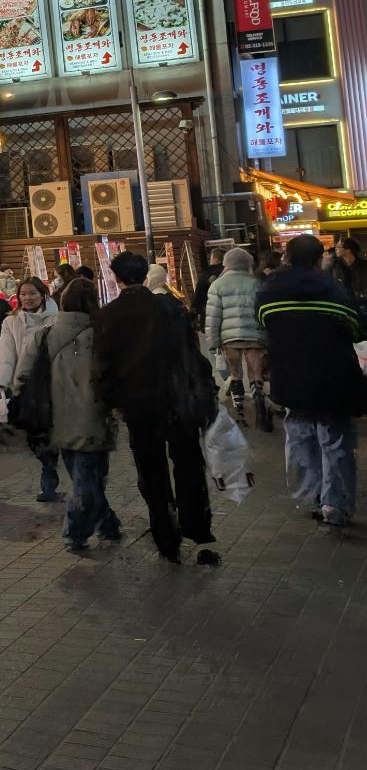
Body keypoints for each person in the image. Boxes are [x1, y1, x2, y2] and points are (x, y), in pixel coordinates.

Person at [95, 250, 218, 565]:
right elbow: (191, 352)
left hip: (140, 404)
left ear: (117, 277)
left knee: (152, 470)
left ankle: (166, 535)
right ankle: (196, 525)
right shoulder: (170, 308)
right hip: (178, 398)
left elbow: (104, 366)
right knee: (188, 462)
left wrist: (111, 403)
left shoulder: (109, 314)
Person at [257, 233, 367, 528]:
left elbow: (263, 323)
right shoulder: (332, 289)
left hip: (290, 381)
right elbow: (358, 329)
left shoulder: (269, 291)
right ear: (320, 259)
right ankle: (335, 506)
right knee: (335, 443)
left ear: (288, 258)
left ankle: (311, 497)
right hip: (333, 380)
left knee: (300, 438)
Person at [17, 277, 123, 552]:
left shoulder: (43, 333)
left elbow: (23, 375)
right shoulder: (104, 334)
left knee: (84, 475)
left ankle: (106, 524)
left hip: (55, 417)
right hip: (93, 416)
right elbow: (117, 377)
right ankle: (75, 531)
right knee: (88, 477)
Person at [0, 276, 61, 502]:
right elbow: (5, 355)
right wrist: (3, 384)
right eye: (23, 294)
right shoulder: (11, 322)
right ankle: (48, 465)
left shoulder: (56, 320)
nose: (27, 298)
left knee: (50, 428)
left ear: (43, 295)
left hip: (52, 385)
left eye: (32, 293)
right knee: (34, 432)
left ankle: (49, 476)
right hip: (24, 385)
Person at [204, 247, 269, 425]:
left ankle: (239, 411)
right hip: (254, 335)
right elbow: (262, 312)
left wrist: (213, 342)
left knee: (235, 373)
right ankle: (259, 400)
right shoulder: (256, 283)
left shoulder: (217, 284)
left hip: (230, 338)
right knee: (255, 373)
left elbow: (213, 317)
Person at [339, 237, 367, 304]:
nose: (336, 249)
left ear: (348, 250)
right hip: (346, 304)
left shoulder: (364, 266)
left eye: (339, 247)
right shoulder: (337, 267)